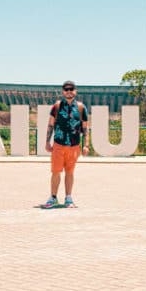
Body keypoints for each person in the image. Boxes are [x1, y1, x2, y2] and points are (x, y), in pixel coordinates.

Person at [41, 80, 90, 208]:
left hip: (74, 146)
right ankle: (53, 197)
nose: (69, 92)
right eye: (66, 89)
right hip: (58, 144)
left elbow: (85, 128)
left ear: (75, 91)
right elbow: (51, 124)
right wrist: (47, 142)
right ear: (63, 92)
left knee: (70, 172)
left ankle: (68, 198)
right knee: (56, 172)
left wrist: (86, 145)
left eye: (71, 89)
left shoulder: (81, 108)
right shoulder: (56, 106)